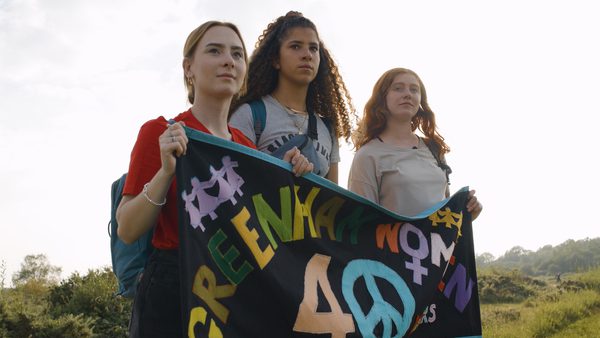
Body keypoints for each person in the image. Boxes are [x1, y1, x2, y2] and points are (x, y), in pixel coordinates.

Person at [116, 21, 312, 337]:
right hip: (173, 290)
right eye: (215, 51)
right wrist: (166, 171)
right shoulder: (159, 132)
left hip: (231, 293)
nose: (228, 61)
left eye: (237, 54)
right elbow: (127, 228)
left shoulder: (248, 149)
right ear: (188, 68)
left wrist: (288, 176)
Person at [229, 11, 355, 183]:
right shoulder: (251, 114)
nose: (307, 55)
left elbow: (332, 203)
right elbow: (232, 187)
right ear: (275, 59)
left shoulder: (328, 129)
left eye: (313, 48)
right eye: (295, 46)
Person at [348, 67, 482, 219]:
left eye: (414, 90)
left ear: (420, 100)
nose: (407, 94)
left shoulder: (434, 149)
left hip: (436, 243)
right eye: (398, 88)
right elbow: (360, 223)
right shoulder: (367, 155)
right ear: (382, 98)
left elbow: (444, 216)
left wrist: (469, 212)